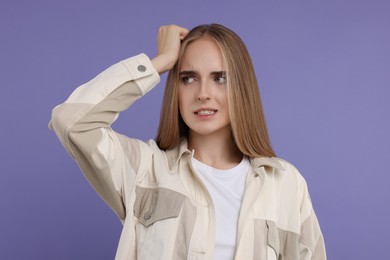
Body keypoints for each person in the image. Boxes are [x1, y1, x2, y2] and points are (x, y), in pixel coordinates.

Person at [49, 24, 326, 260]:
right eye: (188, 78)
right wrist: (161, 61)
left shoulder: (286, 184)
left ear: (241, 87)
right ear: (176, 89)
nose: (203, 93)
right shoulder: (145, 170)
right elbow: (71, 121)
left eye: (220, 78)